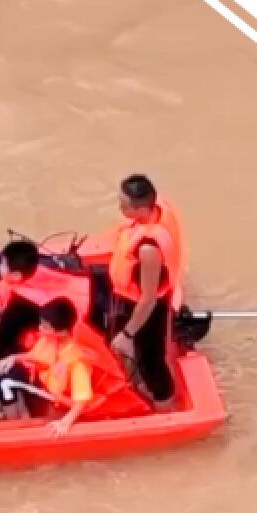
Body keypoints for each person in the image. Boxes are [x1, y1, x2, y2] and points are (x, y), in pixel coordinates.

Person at [90, 174, 187, 409]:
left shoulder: (148, 249)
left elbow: (148, 298)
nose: (119, 208)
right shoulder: (159, 207)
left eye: (123, 205)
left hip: (147, 307)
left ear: (142, 210)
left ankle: (165, 403)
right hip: (133, 293)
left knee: (150, 360)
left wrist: (128, 334)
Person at [0, 297, 151, 434]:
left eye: (45, 326)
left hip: (103, 412)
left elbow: (82, 398)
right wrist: (14, 358)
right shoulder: (53, 338)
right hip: (67, 403)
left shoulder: (78, 362)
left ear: (61, 332)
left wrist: (65, 423)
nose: (40, 329)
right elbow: (40, 359)